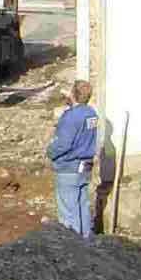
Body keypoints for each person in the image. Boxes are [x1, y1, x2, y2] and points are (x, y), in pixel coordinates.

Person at [46, 80, 98, 238]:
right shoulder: (91, 113)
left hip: (69, 167)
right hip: (85, 166)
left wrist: (50, 152)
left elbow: (63, 144)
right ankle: (86, 240)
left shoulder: (71, 116)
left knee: (68, 211)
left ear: (73, 94)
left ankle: (74, 248)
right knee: (82, 205)